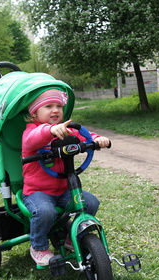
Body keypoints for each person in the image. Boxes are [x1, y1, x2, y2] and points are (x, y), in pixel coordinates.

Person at [21, 88, 110, 266]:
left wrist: (97, 139)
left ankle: (73, 237)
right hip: (37, 192)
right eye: (48, 106)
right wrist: (51, 130)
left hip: (63, 190)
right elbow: (32, 140)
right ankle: (38, 247)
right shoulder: (32, 131)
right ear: (34, 113)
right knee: (46, 211)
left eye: (59, 106)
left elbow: (83, 136)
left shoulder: (66, 129)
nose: (55, 110)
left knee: (90, 202)